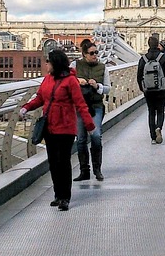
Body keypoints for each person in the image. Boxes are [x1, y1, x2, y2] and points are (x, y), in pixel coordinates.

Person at [22, 47, 96, 211]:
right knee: (53, 163)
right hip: (50, 127)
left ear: (55, 63)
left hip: (65, 128)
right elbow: (40, 98)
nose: (46, 64)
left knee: (63, 162)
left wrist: (89, 125)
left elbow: (80, 104)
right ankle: (57, 194)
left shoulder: (71, 81)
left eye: (48, 61)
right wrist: (26, 107)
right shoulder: (47, 79)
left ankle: (65, 197)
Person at [72, 38, 109, 181]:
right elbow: (67, 80)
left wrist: (97, 86)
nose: (95, 55)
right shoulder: (75, 65)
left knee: (96, 136)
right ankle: (84, 171)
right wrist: (77, 81)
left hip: (96, 106)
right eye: (92, 53)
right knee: (81, 139)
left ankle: (97, 169)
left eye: (96, 52)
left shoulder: (103, 67)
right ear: (84, 54)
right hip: (80, 107)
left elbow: (108, 89)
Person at [137, 36, 165, 144]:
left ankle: (153, 137)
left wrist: (143, 88)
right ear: (158, 45)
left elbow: (139, 76)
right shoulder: (163, 57)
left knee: (151, 112)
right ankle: (158, 128)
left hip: (148, 90)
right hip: (161, 89)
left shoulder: (143, 59)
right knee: (160, 111)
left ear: (148, 44)